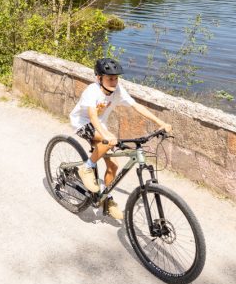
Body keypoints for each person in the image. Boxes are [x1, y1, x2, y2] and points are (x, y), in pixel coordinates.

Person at [68, 57, 171, 221]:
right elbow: (93, 117)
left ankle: (104, 199)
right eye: (110, 78)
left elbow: (136, 105)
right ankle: (86, 168)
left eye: (116, 78)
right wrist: (105, 135)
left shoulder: (118, 90)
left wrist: (161, 122)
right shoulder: (92, 91)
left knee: (113, 167)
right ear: (99, 78)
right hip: (83, 123)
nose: (114, 81)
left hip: (99, 126)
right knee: (107, 142)